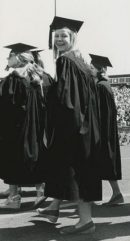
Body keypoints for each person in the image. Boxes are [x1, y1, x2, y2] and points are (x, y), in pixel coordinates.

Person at [39, 16, 101, 234]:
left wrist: (46, 86)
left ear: (73, 37)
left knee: (75, 172)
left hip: (74, 128)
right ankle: (62, 211)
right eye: (56, 36)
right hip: (87, 126)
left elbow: (66, 99)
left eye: (63, 36)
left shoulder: (65, 61)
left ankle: (85, 222)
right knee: (82, 172)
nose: (59, 40)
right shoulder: (82, 63)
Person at [0, 43, 53, 210]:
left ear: (18, 57)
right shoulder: (41, 76)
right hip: (39, 127)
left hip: (16, 127)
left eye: (10, 56)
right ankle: (41, 192)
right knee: (37, 156)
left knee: (12, 158)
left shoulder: (14, 78)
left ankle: (14, 197)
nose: (7, 59)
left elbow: (8, 106)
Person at [89, 54, 124, 206]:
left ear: (100, 69)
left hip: (102, 130)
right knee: (104, 163)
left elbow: (102, 112)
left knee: (104, 162)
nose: (89, 70)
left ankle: (115, 194)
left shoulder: (101, 87)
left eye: (91, 68)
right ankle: (116, 194)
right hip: (104, 129)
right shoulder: (101, 85)